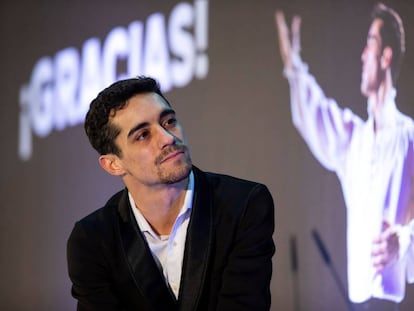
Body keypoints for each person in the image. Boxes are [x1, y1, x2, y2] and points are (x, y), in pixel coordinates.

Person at [66, 76, 275, 311]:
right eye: (143, 135)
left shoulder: (242, 205)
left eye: (169, 122)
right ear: (114, 164)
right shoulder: (93, 240)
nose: (168, 138)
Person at [275, 2, 414, 307]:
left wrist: (402, 240)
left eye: (371, 44)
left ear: (386, 56)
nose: (363, 55)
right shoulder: (355, 140)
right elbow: (316, 112)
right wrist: (293, 65)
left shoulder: (409, 138)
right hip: (357, 302)